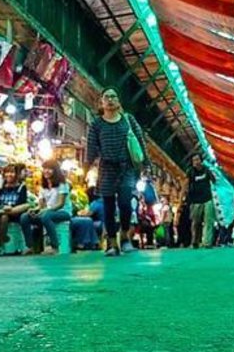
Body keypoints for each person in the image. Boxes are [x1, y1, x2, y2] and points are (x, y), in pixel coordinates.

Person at [85, 87, 146, 257]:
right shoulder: (97, 124)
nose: (110, 100)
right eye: (107, 97)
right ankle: (112, 244)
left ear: (118, 101)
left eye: (114, 96)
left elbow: (140, 141)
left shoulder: (128, 120)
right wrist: (86, 167)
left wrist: (146, 165)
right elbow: (91, 147)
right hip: (106, 169)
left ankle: (125, 237)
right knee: (108, 208)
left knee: (126, 204)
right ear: (101, 102)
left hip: (126, 168)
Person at [20, 160, 73, 255]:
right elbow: (41, 205)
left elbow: (60, 204)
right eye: (45, 169)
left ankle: (54, 246)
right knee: (25, 217)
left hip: (63, 212)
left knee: (46, 216)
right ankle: (30, 246)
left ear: (55, 171)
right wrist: (34, 210)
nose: (46, 171)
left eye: (49, 169)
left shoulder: (62, 184)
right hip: (48, 212)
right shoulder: (43, 187)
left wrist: (46, 210)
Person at [0, 164, 30, 252]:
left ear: (16, 174)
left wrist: (8, 208)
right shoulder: (0, 186)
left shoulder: (21, 187)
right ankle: (2, 242)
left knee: (4, 216)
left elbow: (22, 203)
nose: (9, 175)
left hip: (12, 212)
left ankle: (2, 244)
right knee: (1, 216)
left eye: (12, 172)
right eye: (7, 172)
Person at [186, 154, 215, 249]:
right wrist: (184, 198)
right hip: (195, 200)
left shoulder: (206, 170)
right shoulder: (190, 172)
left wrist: (212, 172)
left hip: (207, 198)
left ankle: (207, 242)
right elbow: (186, 185)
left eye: (197, 159)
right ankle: (195, 241)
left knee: (208, 220)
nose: (196, 162)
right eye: (194, 160)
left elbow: (214, 180)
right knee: (195, 222)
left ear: (201, 160)